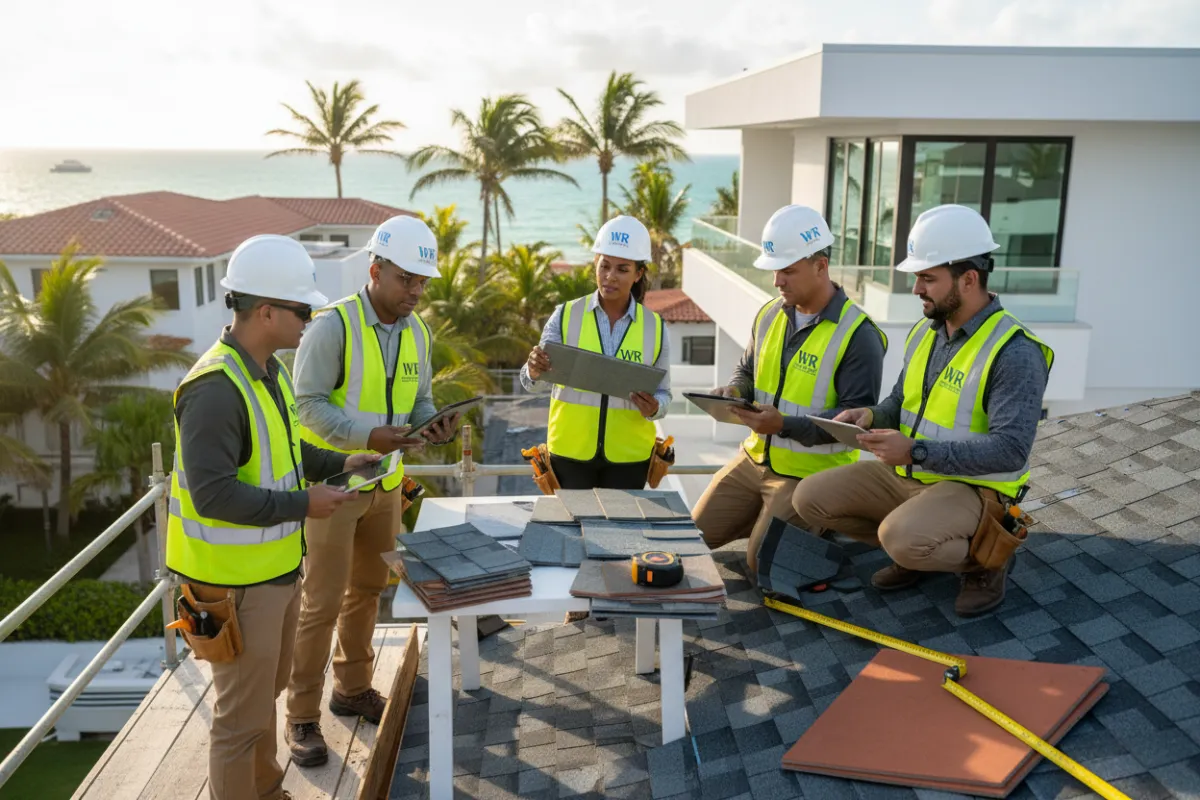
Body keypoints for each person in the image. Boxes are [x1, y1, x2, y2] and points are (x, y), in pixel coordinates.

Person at [165, 234, 378, 800]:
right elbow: (214, 497)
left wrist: (341, 462)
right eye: (302, 309)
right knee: (239, 721)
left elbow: (288, 452)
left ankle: (265, 790)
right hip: (234, 587)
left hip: (275, 574)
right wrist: (305, 504)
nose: (310, 319)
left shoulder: (268, 371)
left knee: (266, 697)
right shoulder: (214, 390)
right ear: (265, 312)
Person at [792, 204, 1054, 617]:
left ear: (969, 279)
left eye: (928, 279)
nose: (917, 290)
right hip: (912, 474)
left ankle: (987, 560)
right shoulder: (925, 332)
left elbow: (1010, 450)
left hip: (975, 490)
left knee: (901, 539)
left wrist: (914, 451)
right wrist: (871, 416)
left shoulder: (1015, 352)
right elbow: (901, 402)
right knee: (808, 499)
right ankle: (922, 552)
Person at [285, 215, 462, 767]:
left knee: (366, 592)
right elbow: (306, 403)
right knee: (320, 603)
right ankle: (301, 717)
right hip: (333, 488)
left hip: (384, 487)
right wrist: (367, 435)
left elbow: (421, 402)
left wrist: (436, 425)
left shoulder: (419, 333)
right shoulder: (332, 326)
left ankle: (352, 689)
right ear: (375, 269)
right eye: (406, 279)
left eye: (422, 282)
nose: (415, 290)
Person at [691, 204, 887, 575]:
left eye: (787, 270)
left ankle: (818, 521)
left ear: (820, 266)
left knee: (762, 566)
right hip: (753, 460)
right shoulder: (769, 314)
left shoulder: (859, 336)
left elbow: (852, 426)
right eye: (775, 270)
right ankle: (770, 519)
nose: (777, 281)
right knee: (691, 539)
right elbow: (747, 369)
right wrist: (735, 390)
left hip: (810, 477)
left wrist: (782, 425)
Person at [520, 214, 673, 490]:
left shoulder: (656, 328)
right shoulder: (565, 315)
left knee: (623, 533)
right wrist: (533, 370)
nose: (610, 276)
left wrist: (654, 408)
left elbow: (664, 395)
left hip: (630, 457)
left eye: (622, 269)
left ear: (638, 274)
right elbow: (530, 382)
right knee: (573, 531)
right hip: (569, 453)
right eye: (605, 266)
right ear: (595, 264)